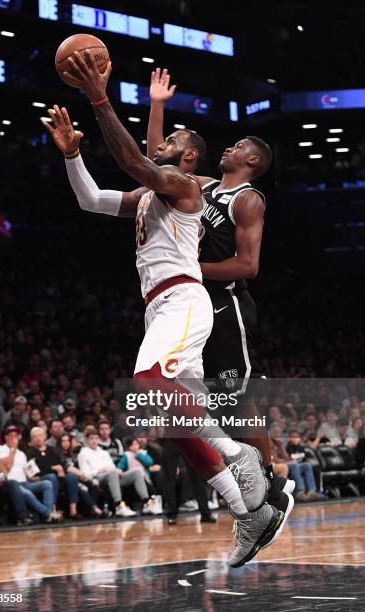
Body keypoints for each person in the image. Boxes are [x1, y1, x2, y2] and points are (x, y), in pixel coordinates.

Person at [41, 54, 284, 568]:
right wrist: (71, 156)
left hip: (186, 299)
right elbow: (89, 199)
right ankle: (248, 508)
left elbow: (140, 161)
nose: (163, 143)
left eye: (174, 141)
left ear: (188, 158)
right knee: (171, 416)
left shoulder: (186, 186)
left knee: (151, 381)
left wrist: (100, 99)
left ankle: (242, 456)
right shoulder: (153, 194)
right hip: (160, 307)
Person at [146, 67, 294, 529]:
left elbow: (248, 266)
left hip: (226, 304)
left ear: (254, 162)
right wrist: (157, 105)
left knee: (240, 398)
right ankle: (234, 487)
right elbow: (155, 163)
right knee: (196, 398)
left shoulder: (248, 200)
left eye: (240, 147)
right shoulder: (203, 185)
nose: (229, 147)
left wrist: (194, 269)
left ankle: (268, 480)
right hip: (189, 303)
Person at [0, 426, 57, 522]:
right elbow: (7, 466)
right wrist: (12, 450)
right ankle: (49, 514)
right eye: (11, 435)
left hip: (25, 482)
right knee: (27, 493)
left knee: (47, 484)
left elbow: (26, 473)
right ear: (5, 437)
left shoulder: (21, 454)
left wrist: (33, 479)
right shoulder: (0, 449)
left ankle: (49, 515)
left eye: (15, 436)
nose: (13, 438)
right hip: (11, 484)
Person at [78, 430, 144, 517]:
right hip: (97, 478)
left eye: (96, 438)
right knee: (112, 473)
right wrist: (100, 470)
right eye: (91, 438)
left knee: (136, 472)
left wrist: (117, 470)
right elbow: (84, 474)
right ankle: (119, 506)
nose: (94, 441)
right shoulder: (83, 453)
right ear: (87, 440)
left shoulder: (104, 453)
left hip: (112, 476)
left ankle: (147, 502)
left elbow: (112, 467)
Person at [27, 427, 79, 519]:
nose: (38, 438)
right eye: (35, 436)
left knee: (71, 476)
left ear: (45, 437)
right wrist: (53, 468)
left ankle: (73, 510)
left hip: (58, 477)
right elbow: (36, 471)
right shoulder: (29, 452)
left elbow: (61, 464)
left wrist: (60, 469)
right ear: (31, 439)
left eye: (40, 435)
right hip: (42, 479)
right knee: (52, 477)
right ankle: (52, 509)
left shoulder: (53, 450)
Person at [57, 433, 102, 518]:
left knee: (94, 483)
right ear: (59, 443)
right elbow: (67, 467)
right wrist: (80, 473)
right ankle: (96, 509)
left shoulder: (73, 454)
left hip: (78, 477)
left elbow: (79, 468)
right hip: (66, 480)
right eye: (63, 441)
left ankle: (91, 511)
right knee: (82, 488)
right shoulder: (58, 454)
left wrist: (83, 476)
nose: (66, 443)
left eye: (67, 441)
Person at [117, 437, 163, 515]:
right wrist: (119, 470)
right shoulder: (126, 456)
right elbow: (120, 466)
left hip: (145, 477)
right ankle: (148, 503)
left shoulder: (142, 453)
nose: (134, 446)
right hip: (133, 479)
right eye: (132, 445)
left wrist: (139, 456)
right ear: (128, 447)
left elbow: (150, 462)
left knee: (152, 485)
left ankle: (154, 503)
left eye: (136, 444)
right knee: (144, 484)